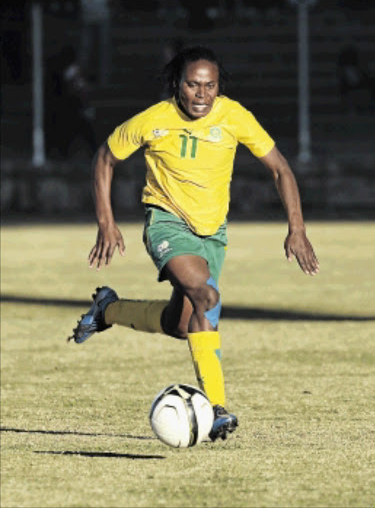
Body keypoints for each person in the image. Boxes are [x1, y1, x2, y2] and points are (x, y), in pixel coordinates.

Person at [68, 46, 319, 442]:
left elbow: (281, 169)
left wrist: (297, 228)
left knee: (181, 325)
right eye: (193, 84)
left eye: (210, 86)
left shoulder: (234, 116)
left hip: (212, 234)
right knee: (206, 296)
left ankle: (108, 310)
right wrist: (106, 222)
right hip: (166, 223)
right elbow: (105, 158)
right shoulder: (155, 120)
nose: (202, 95)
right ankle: (218, 408)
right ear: (177, 84)